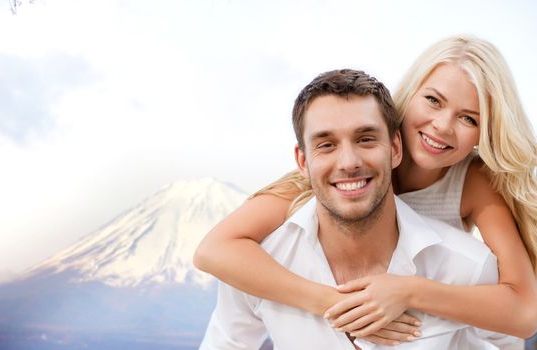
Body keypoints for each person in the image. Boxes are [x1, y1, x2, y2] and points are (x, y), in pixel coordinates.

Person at [194, 35, 537, 345]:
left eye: (469, 119)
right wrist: (336, 304)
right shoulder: (332, 175)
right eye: (433, 100)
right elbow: (213, 250)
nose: (443, 126)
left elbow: (523, 312)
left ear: (485, 133)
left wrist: (409, 291)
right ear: (410, 95)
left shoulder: (472, 182)